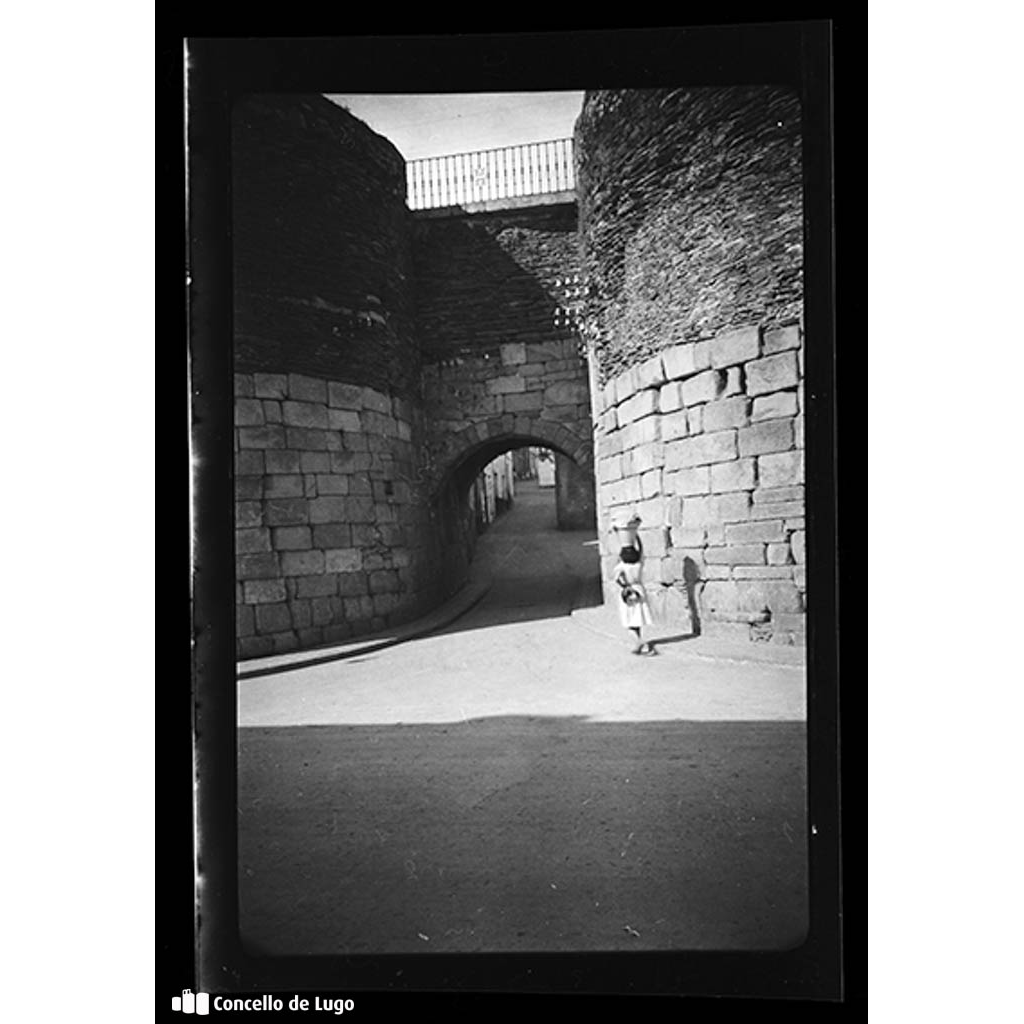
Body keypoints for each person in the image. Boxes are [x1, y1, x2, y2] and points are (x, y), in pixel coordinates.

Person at [613, 544, 655, 655]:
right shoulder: (639, 564)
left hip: (629, 589)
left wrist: (625, 586)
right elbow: (642, 552)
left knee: (628, 620)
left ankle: (639, 642)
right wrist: (637, 539)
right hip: (639, 589)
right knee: (637, 617)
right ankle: (639, 643)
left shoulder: (622, 566)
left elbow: (616, 578)